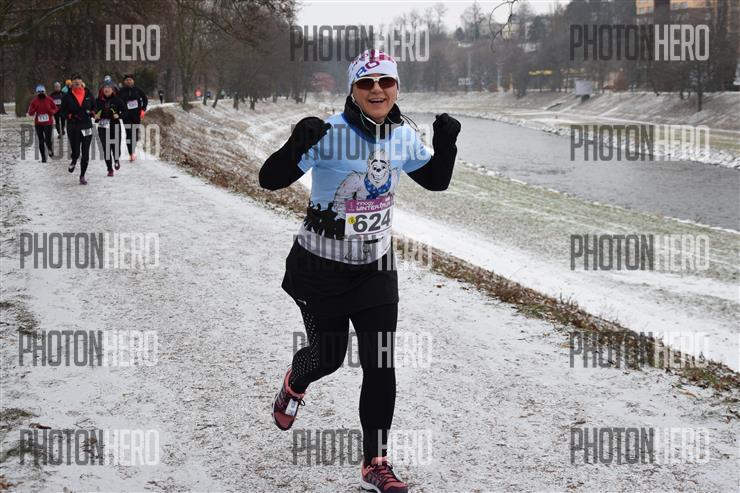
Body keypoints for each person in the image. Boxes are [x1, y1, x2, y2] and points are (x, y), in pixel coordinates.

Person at [260, 49, 460, 493]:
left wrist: (446, 144)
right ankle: (295, 382)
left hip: (375, 268)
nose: (377, 90)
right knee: (328, 358)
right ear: (353, 90)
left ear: (396, 88)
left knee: (380, 364)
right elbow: (269, 179)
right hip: (320, 269)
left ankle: (375, 463)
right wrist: (294, 145)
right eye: (366, 83)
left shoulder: (402, 136)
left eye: (386, 81)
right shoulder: (328, 133)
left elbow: (436, 180)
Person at [60, 73, 95, 185]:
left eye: (79, 79)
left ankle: (82, 175)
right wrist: (70, 115)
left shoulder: (88, 94)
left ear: (81, 82)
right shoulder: (67, 96)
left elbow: (95, 107)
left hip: (86, 126)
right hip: (73, 126)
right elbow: (62, 112)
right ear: (72, 83)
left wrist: (93, 113)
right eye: (75, 80)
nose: (77, 81)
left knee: (85, 152)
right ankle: (74, 159)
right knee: (76, 149)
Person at [94, 79, 126, 176]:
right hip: (102, 127)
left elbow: (125, 112)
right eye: (105, 87)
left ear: (112, 89)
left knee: (115, 146)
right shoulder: (98, 101)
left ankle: (116, 159)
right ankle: (109, 169)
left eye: (108, 87)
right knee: (106, 148)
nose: (106, 89)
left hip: (114, 125)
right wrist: (95, 116)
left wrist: (119, 115)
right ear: (102, 90)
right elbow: (93, 111)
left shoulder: (117, 100)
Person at [118, 74, 148, 161]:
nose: (129, 81)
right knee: (129, 133)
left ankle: (133, 149)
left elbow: (145, 99)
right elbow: (116, 102)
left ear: (133, 81)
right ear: (124, 82)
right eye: (127, 80)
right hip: (126, 115)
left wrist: (143, 109)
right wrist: (118, 112)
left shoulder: (138, 90)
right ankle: (131, 154)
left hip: (136, 115)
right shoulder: (121, 91)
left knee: (134, 134)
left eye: (130, 80)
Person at [26, 85, 57, 163]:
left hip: (48, 123)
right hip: (38, 123)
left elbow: (55, 108)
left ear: (45, 92)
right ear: (37, 93)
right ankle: (43, 157)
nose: (41, 93)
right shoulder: (34, 101)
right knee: (41, 140)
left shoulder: (49, 99)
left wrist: (51, 111)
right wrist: (34, 109)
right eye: (39, 92)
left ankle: (50, 149)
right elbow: (30, 113)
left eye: (42, 91)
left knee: (48, 139)